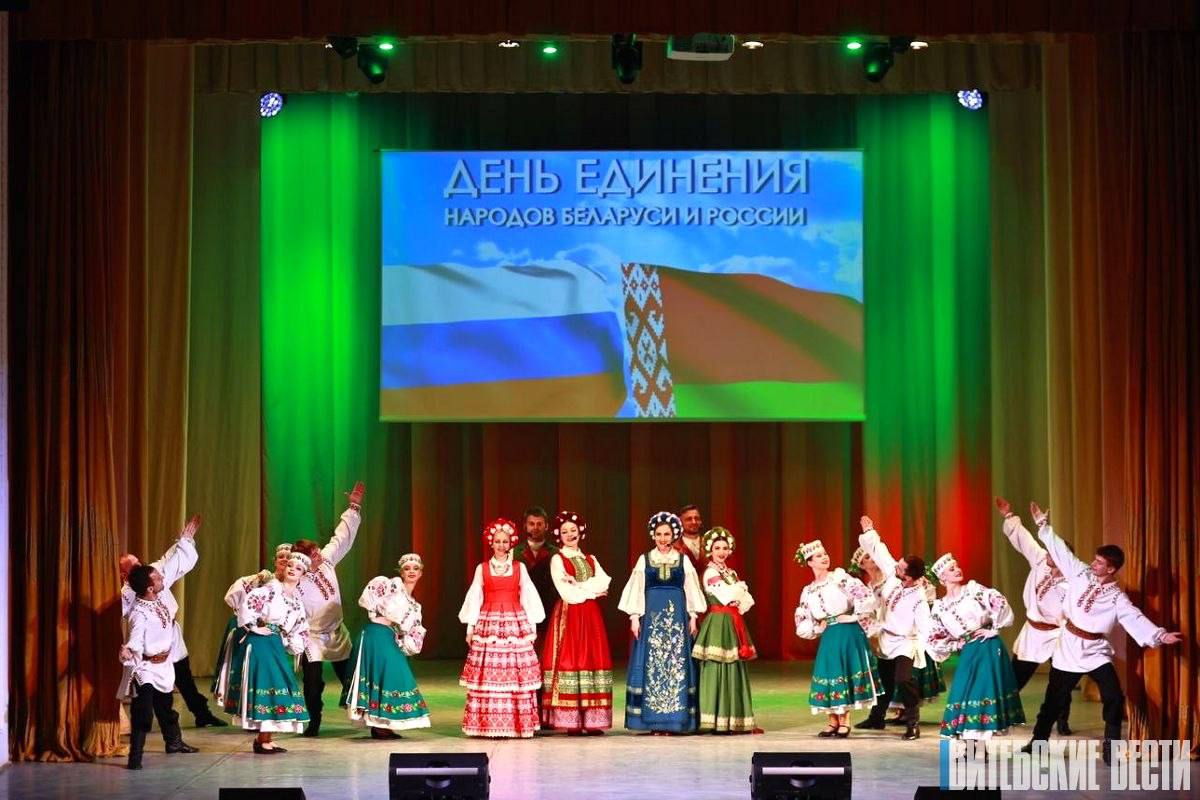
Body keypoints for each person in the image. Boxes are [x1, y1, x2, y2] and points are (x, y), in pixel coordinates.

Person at [1021, 502, 1184, 763]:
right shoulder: (1079, 573)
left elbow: (1134, 617)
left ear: (1111, 569)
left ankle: (1111, 746)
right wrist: (1042, 524)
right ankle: (1038, 741)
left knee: (1113, 697)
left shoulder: (1117, 597)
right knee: (1054, 699)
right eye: (1095, 559)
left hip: (1095, 651)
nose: (1093, 564)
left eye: (1099, 562)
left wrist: (1160, 635)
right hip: (1068, 648)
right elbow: (1061, 551)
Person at [119, 514, 225, 728]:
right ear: (124, 575)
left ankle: (201, 714)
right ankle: (145, 725)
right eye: (134, 566)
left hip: (171, 635)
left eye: (139, 562)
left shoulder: (152, 575)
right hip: (151, 646)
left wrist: (185, 541)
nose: (141, 567)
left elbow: (172, 562)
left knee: (184, 676)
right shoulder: (128, 595)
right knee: (149, 687)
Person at [618, 511, 706, 734]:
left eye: (667, 534)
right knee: (652, 665)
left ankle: (675, 720)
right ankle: (653, 722)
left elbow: (691, 589)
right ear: (653, 535)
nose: (663, 538)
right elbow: (637, 588)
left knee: (676, 664)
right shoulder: (645, 559)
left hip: (676, 619)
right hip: (652, 619)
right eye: (659, 534)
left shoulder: (683, 560)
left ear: (674, 535)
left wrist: (693, 616)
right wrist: (634, 617)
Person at [459, 518, 545, 738]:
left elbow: (528, 596)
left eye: (505, 541)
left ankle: (516, 724)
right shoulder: (482, 568)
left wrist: (532, 626)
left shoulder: (519, 567)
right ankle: (487, 724)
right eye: (497, 541)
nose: (501, 545)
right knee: (489, 672)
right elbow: (475, 598)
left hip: (515, 622)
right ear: (491, 543)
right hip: (489, 622)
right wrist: (470, 628)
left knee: (514, 673)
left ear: (510, 543)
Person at [219, 550, 312, 753]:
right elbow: (247, 606)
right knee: (268, 685)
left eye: (298, 568)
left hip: (274, 644)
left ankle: (265, 739)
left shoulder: (296, 601)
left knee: (276, 688)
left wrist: (291, 642)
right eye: (290, 566)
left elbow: (300, 627)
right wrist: (254, 627)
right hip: (260, 644)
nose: (292, 570)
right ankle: (262, 740)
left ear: (303, 575)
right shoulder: (269, 590)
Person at [994, 497, 1073, 734]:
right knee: (1015, 677)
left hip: (1058, 634)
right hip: (1034, 632)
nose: (1047, 554)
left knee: (1061, 680)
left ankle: (1062, 719)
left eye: (1052, 553)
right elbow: (1024, 539)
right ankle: (1001, 716)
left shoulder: (1073, 578)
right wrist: (1008, 516)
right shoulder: (1040, 560)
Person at [292, 480, 365, 737]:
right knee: (312, 683)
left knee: (351, 677)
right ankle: (313, 721)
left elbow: (341, 538)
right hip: (311, 637)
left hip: (336, 632)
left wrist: (353, 507)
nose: (319, 555)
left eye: (317, 551)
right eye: (313, 554)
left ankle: (367, 719)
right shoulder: (295, 579)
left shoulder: (327, 562)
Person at [927, 552, 1025, 738]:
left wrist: (994, 629)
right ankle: (972, 745)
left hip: (988, 647)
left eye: (957, 566)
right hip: (969, 651)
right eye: (952, 569)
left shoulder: (973, 590)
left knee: (981, 694)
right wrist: (956, 644)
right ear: (942, 578)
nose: (957, 570)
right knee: (965, 694)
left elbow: (998, 602)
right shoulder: (940, 606)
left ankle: (976, 747)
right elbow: (934, 637)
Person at [853, 516, 930, 740]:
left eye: (902, 567)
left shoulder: (919, 598)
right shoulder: (894, 575)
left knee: (903, 679)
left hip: (906, 641)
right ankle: (877, 717)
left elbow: (925, 625)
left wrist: (928, 647)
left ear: (909, 577)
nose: (897, 566)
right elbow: (880, 551)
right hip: (886, 637)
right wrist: (869, 531)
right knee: (884, 679)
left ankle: (913, 723)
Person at [794, 539, 881, 737]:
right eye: (818, 556)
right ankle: (832, 720)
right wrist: (817, 627)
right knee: (829, 674)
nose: (824, 557)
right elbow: (803, 617)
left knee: (844, 672)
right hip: (829, 634)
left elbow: (865, 597)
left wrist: (852, 616)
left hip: (848, 631)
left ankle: (845, 720)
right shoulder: (808, 591)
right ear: (810, 562)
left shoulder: (839, 578)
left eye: (825, 554)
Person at [540, 511, 613, 734]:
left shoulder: (590, 559)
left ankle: (591, 720)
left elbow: (604, 583)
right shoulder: (557, 559)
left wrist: (580, 584)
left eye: (573, 530)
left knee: (591, 658)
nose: (570, 534)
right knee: (572, 658)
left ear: (580, 532)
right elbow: (567, 593)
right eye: (565, 532)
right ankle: (572, 720)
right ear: (559, 536)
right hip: (569, 614)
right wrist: (591, 591)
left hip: (590, 616)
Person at [121, 564, 199, 769]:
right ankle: (135, 758)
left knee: (165, 707)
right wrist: (129, 649)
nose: (162, 578)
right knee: (143, 712)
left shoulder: (159, 600)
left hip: (164, 665)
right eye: (157, 578)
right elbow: (136, 638)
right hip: (146, 668)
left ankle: (174, 742)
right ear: (149, 588)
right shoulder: (139, 613)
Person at [346, 554, 432, 738]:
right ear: (401, 572)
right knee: (387, 675)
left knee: (390, 677)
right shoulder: (391, 586)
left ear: (421, 573)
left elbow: (412, 630)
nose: (411, 572)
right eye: (407, 569)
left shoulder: (415, 605)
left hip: (389, 636)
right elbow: (369, 602)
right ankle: (379, 724)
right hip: (376, 634)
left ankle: (382, 724)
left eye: (415, 569)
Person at [692, 527, 759, 734]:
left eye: (724, 548)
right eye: (717, 548)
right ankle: (715, 719)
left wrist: (739, 592)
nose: (721, 551)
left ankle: (733, 719)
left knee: (733, 667)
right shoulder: (710, 572)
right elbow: (726, 596)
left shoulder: (730, 573)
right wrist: (740, 589)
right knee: (717, 666)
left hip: (732, 621)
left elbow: (747, 601)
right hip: (718, 623)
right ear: (710, 550)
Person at [211, 544, 291, 696]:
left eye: (288, 557)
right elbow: (234, 596)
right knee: (244, 668)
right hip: (250, 631)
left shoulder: (291, 586)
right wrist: (257, 579)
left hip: (271, 635)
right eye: (281, 557)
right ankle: (240, 700)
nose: (284, 560)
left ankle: (263, 701)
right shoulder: (264, 579)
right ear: (275, 561)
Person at [673, 504, 705, 570]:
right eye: (689, 519)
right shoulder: (673, 547)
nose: (694, 522)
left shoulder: (710, 543)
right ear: (680, 522)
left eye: (697, 518)